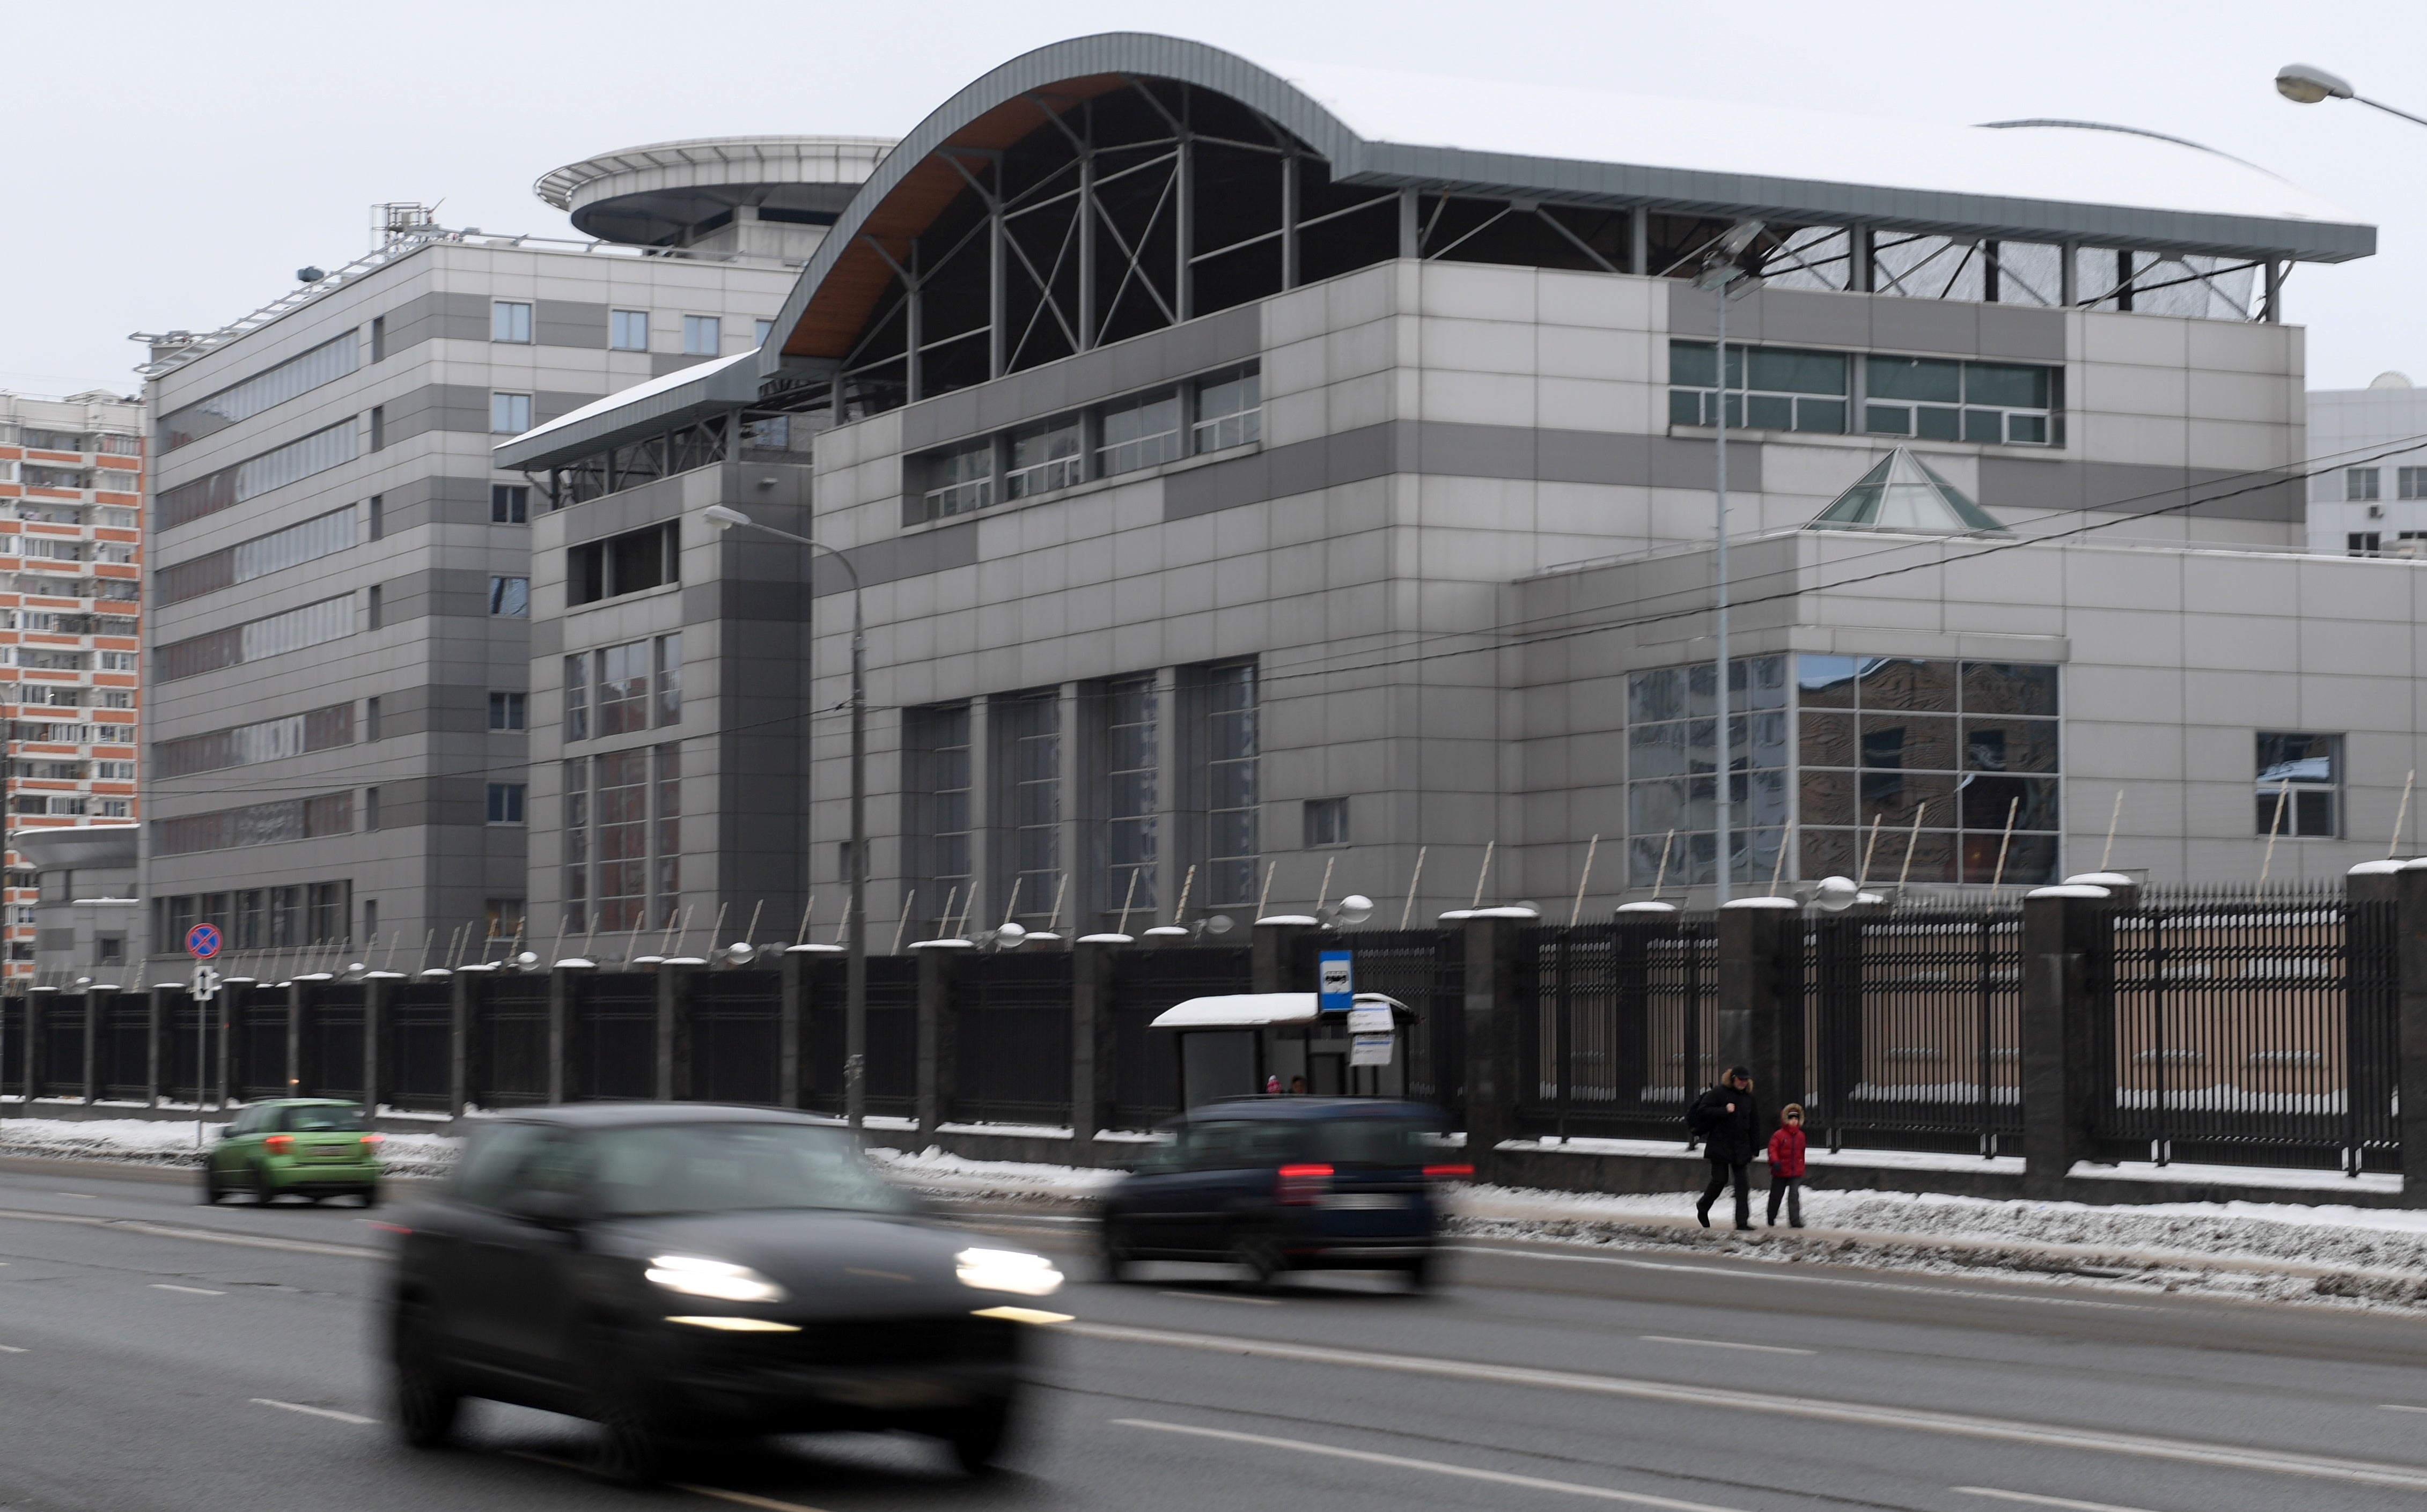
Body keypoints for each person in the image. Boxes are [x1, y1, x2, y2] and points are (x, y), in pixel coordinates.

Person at [1688, 1066, 1760, 1231]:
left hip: (1741, 1147)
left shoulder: (1749, 1099)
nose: (1743, 1082)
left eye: (1745, 1080)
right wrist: (1724, 1110)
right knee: (1720, 1180)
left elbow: (1755, 1124)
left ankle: (1742, 1222)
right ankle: (1703, 1207)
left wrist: (1755, 1149)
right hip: (1720, 1146)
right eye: (1740, 1079)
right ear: (1733, 1079)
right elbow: (1703, 1110)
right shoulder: (1719, 1093)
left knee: (1743, 1185)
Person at [1766, 1103, 1807, 1229]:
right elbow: (1772, 1149)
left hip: (1795, 1171)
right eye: (1791, 1119)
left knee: (1794, 1196)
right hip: (1781, 1170)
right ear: (1786, 1120)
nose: (1794, 1121)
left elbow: (1802, 1152)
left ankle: (1795, 1221)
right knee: (1776, 1195)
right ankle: (1771, 1215)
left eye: (1796, 1119)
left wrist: (1801, 1165)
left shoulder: (1801, 1136)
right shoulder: (1779, 1135)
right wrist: (1775, 1162)